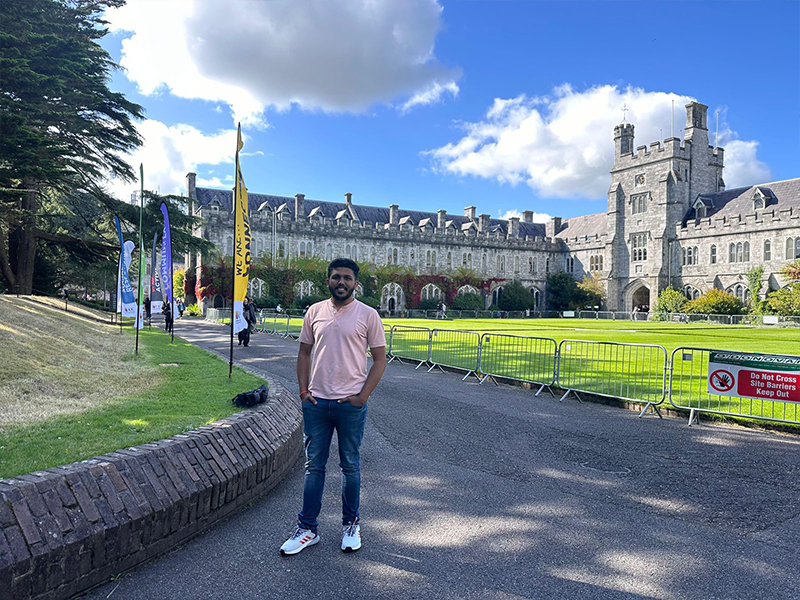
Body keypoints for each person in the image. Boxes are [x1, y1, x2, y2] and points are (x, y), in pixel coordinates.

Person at [280, 258, 386, 556]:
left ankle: (351, 525)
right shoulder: (315, 311)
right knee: (314, 467)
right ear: (328, 281)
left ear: (355, 283)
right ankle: (307, 529)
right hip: (317, 402)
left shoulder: (368, 315)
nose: (342, 282)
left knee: (350, 465)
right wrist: (303, 391)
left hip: (350, 404)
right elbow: (304, 353)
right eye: (337, 277)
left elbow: (380, 359)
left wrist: (362, 397)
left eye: (347, 278)